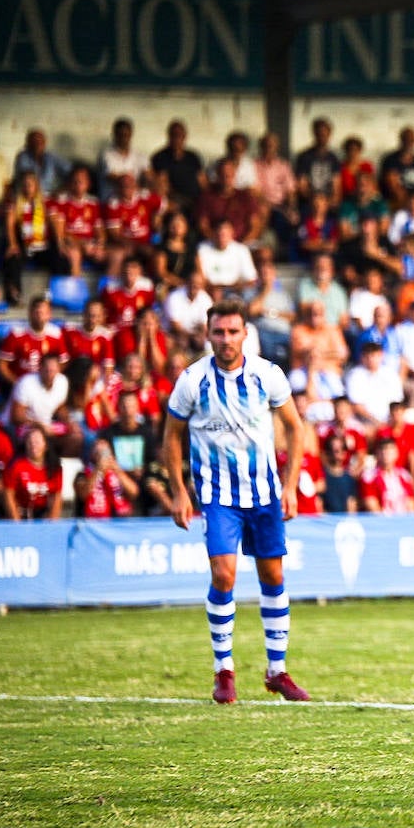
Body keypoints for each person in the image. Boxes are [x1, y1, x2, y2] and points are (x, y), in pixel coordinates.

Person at [162, 298, 310, 705]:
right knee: (224, 575)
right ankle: (223, 670)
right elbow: (171, 436)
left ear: (246, 333)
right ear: (207, 335)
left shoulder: (267, 375)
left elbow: (296, 429)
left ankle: (277, 671)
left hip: (263, 494)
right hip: (217, 497)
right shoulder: (193, 380)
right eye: (218, 332)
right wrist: (178, 489)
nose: (225, 339)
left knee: (274, 579)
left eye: (232, 331)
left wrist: (290, 485)